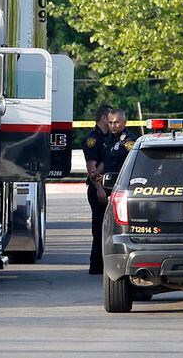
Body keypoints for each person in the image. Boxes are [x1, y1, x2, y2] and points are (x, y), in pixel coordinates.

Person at [83, 105, 111, 275]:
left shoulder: (110, 138)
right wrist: (99, 189)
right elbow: (91, 167)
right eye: (110, 117)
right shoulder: (92, 138)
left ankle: (104, 264)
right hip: (98, 189)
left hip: (108, 186)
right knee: (99, 228)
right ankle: (96, 266)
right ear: (103, 118)